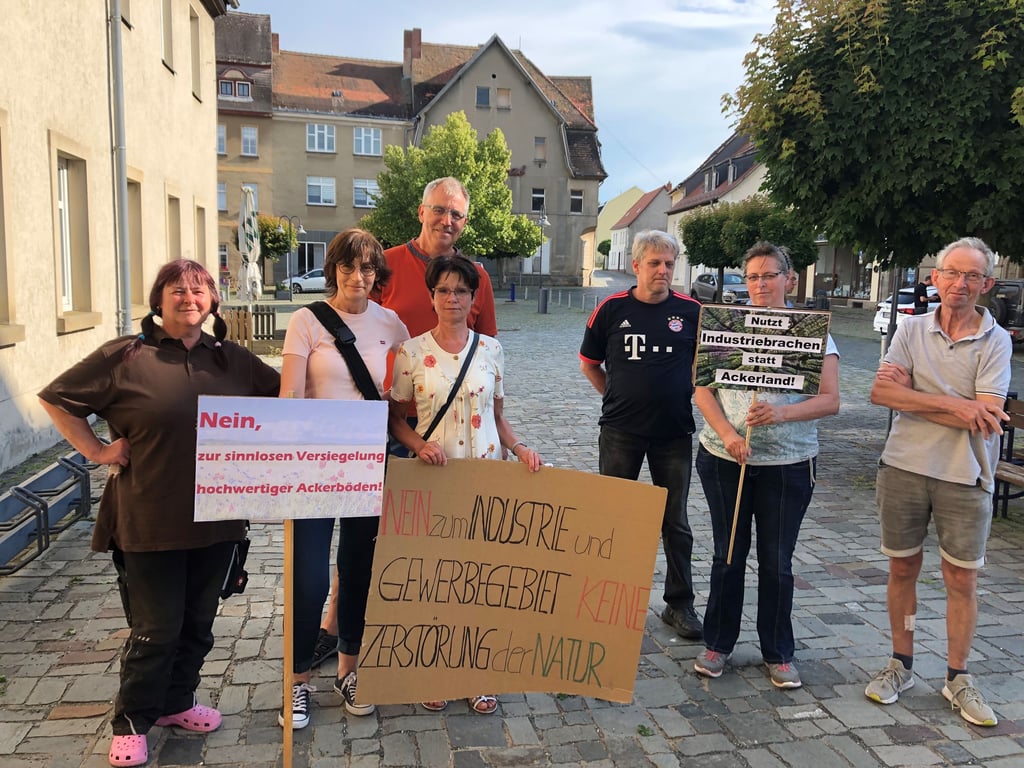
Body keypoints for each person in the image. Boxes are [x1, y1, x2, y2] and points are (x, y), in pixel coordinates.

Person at [38, 260, 281, 768]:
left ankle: (176, 703)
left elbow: (288, 399)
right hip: (149, 518)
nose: (189, 298)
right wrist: (97, 451)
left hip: (219, 519)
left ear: (213, 301)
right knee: (156, 629)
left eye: (199, 290)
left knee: (198, 625)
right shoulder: (124, 356)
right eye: (177, 289)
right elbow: (58, 400)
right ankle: (131, 721)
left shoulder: (234, 359)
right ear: (158, 300)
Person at [864, 237, 1010, 726]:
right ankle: (901, 664)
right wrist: (957, 405)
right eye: (952, 273)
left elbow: (987, 416)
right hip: (904, 466)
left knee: (961, 579)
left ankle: (958, 676)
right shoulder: (910, 328)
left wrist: (917, 396)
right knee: (902, 569)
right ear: (936, 278)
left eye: (972, 276)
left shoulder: (997, 340)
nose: (960, 284)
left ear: (987, 284)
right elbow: (881, 393)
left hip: (965, 474)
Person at [388, 254, 542, 714]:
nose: (452, 298)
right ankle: (435, 667)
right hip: (436, 479)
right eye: (444, 290)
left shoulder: (491, 349)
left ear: (473, 298)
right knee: (437, 578)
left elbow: (498, 416)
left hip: (486, 476)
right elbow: (394, 419)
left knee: (480, 578)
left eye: (461, 291)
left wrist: (520, 448)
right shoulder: (410, 352)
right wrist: (418, 445)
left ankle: (478, 670)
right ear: (431, 296)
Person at [693, 241, 840, 688]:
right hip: (725, 458)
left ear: (789, 280)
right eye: (752, 277)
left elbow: (830, 400)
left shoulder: (811, 332)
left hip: (789, 463)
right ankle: (718, 642)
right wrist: (729, 433)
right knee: (727, 554)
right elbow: (703, 390)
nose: (760, 284)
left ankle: (778, 651)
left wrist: (781, 413)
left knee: (777, 561)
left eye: (769, 276)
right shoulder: (726, 327)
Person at [277, 229, 409, 728]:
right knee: (309, 577)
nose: (358, 276)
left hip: (367, 462)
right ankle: (297, 680)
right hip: (313, 464)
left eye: (368, 268)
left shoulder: (390, 323)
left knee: (359, 569)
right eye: (348, 267)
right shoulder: (306, 322)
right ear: (333, 270)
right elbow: (290, 395)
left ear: (378, 274)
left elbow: (410, 384)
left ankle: (349, 670)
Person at [579, 230, 704, 640]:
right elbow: (589, 363)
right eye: (654, 263)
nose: (663, 270)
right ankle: (611, 601)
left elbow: (703, 366)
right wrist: (615, 396)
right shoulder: (611, 309)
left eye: (669, 263)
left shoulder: (692, 311)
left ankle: (679, 604)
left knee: (676, 522)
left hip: (674, 434)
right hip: (621, 433)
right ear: (636, 266)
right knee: (616, 519)